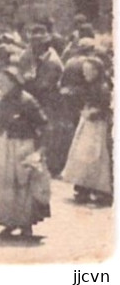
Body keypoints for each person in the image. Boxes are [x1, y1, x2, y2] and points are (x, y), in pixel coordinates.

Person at [0, 66, 51, 238]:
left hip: (21, 145)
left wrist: (40, 151)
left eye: (5, 82)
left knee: (23, 185)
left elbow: (44, 125)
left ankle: (26, 225)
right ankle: (9, 222)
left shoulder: (27, 101)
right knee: (3, 185)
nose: (1, 84)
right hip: (1, 145)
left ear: (15, 82)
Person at [61, 41, 113, 206]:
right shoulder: (91, 85)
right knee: (82, 155)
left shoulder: (103, 88)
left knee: (96, 157)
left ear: (97, 72)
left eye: (88, 72)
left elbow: (105, 108)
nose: (85, 75)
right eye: (84, 72)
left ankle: (100, 191)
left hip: (97, 125)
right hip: (88, 123)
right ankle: (82, 187)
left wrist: (91, 112)